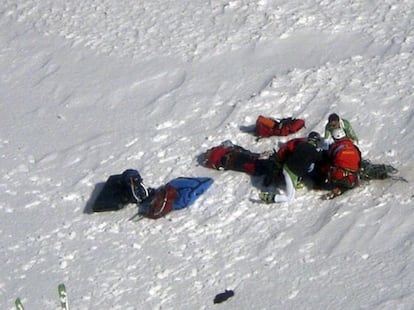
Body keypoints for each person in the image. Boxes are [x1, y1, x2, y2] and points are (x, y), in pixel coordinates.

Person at [259, 131, 323, 204]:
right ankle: (269, 197)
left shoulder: (301, 144)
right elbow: (320, 159)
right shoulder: (314, 152)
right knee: (289, 198)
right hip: (291, 173)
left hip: (287, 167)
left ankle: (296, 182)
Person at [321, 128, 361, 198]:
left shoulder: (335, 147)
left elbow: (329, 159)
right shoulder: (353, 146)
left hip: (340, 176)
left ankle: (331, 184)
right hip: (354, 176)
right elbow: (359, 159)